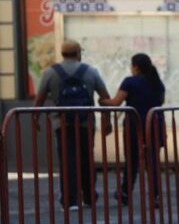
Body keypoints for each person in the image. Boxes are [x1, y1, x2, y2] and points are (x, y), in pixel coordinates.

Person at [33, 40, 111, 210]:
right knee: (86, 159)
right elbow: (105, 96)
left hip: (61, 124)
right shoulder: (91, 71)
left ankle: (70, 201)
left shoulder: (50, 73)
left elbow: (39, 99)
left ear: (62, 54)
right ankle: (89, 197)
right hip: (86, 123)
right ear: (78, 53)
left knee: (67, 160)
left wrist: (35, 119)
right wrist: (108, 120)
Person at [98, 53, 166, 205]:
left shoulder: (130, 82)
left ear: (135, 66)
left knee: (132, 159)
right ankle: (155, 196)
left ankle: (125, 192)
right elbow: (160, 101)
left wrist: (102, 101)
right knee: (153, 160)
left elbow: (115, 103)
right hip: (155, 123)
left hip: (135, 125)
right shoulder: (157, 83)